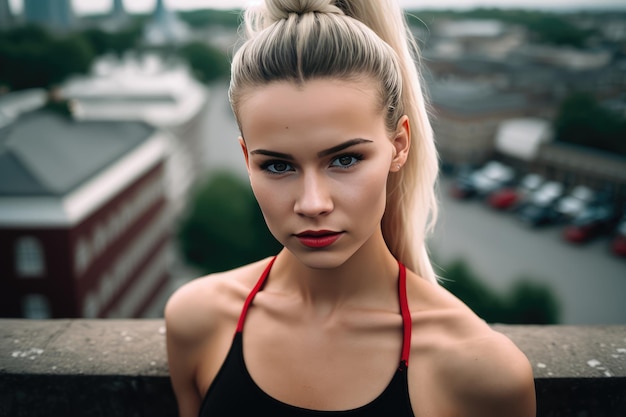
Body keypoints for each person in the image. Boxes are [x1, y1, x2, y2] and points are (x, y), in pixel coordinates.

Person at [165, 1, 536, 416]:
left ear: (399, 146)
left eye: (344, 160)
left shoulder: (480, 372)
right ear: (246, 158)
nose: (312, 204)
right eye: (277, 165)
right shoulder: (198, 319)